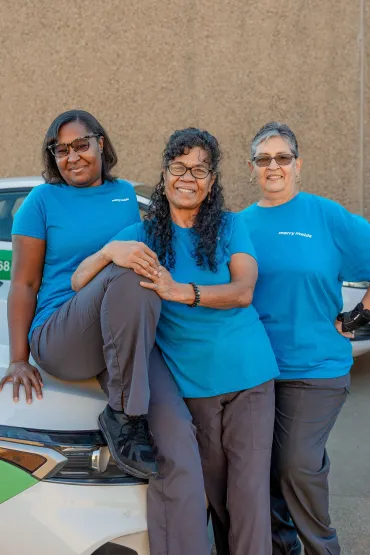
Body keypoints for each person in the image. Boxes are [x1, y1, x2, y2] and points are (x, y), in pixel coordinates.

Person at [0, 110, 210, 555]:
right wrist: (19, 358)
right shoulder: (41, 202)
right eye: (61, 149)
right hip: (63, 336)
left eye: (81, 145)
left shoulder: (122, 195)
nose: (72, 156)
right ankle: (125, 413)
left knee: (180, 446)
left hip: (120, 339)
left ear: (101, 145)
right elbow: (24, 284)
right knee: (132, 270)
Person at [72, 127, 280, 555]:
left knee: (249, 500)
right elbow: (79, 281)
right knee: (211, 499)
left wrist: (179, 291)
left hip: (250, 378)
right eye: (179, 167)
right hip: (191, 386)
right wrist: (109, 252)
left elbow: (243, 290)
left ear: (212, 180)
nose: (189, 177)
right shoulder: (142, 235)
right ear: (165, 173)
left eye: (200, 169)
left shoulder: (229, 226)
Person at [241, 121, 370, 555]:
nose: (273, 166)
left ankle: (322, 550)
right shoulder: (238, 226)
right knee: (269, 469)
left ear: (298, 166)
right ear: (252, 168)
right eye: (264, 159)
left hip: (316, 371)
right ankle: (283, 548)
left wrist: (356, 320)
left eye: (282, 158)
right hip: (255, 372)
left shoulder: (326, 216)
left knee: (297, 465)